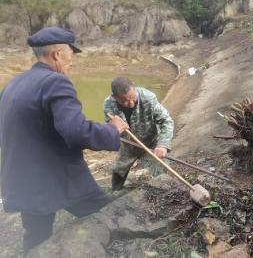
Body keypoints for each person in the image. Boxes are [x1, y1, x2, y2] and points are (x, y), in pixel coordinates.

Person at [0, 27, 128, 253]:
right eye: (72, 53)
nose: (73, 60)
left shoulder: (13, 85)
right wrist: (112, 130)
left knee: (36, 239)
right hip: (60, 179)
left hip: (23, 181)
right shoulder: (56, 82)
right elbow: (75, 131)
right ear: (57, 53)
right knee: (107, 214)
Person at [103, 77, 174, 190]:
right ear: (114, 97)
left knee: (161, 170)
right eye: (124, 101)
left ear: (134, 88)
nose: (130, 103)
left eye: (133, 98)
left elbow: (166, 121)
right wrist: (113, 129)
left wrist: (162, 145)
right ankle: (115, 191)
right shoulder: (108, 104)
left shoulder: (148, 98)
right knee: (118, 170)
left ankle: (164, 191)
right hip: (128, 146)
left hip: (151, 144)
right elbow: (110, 127)